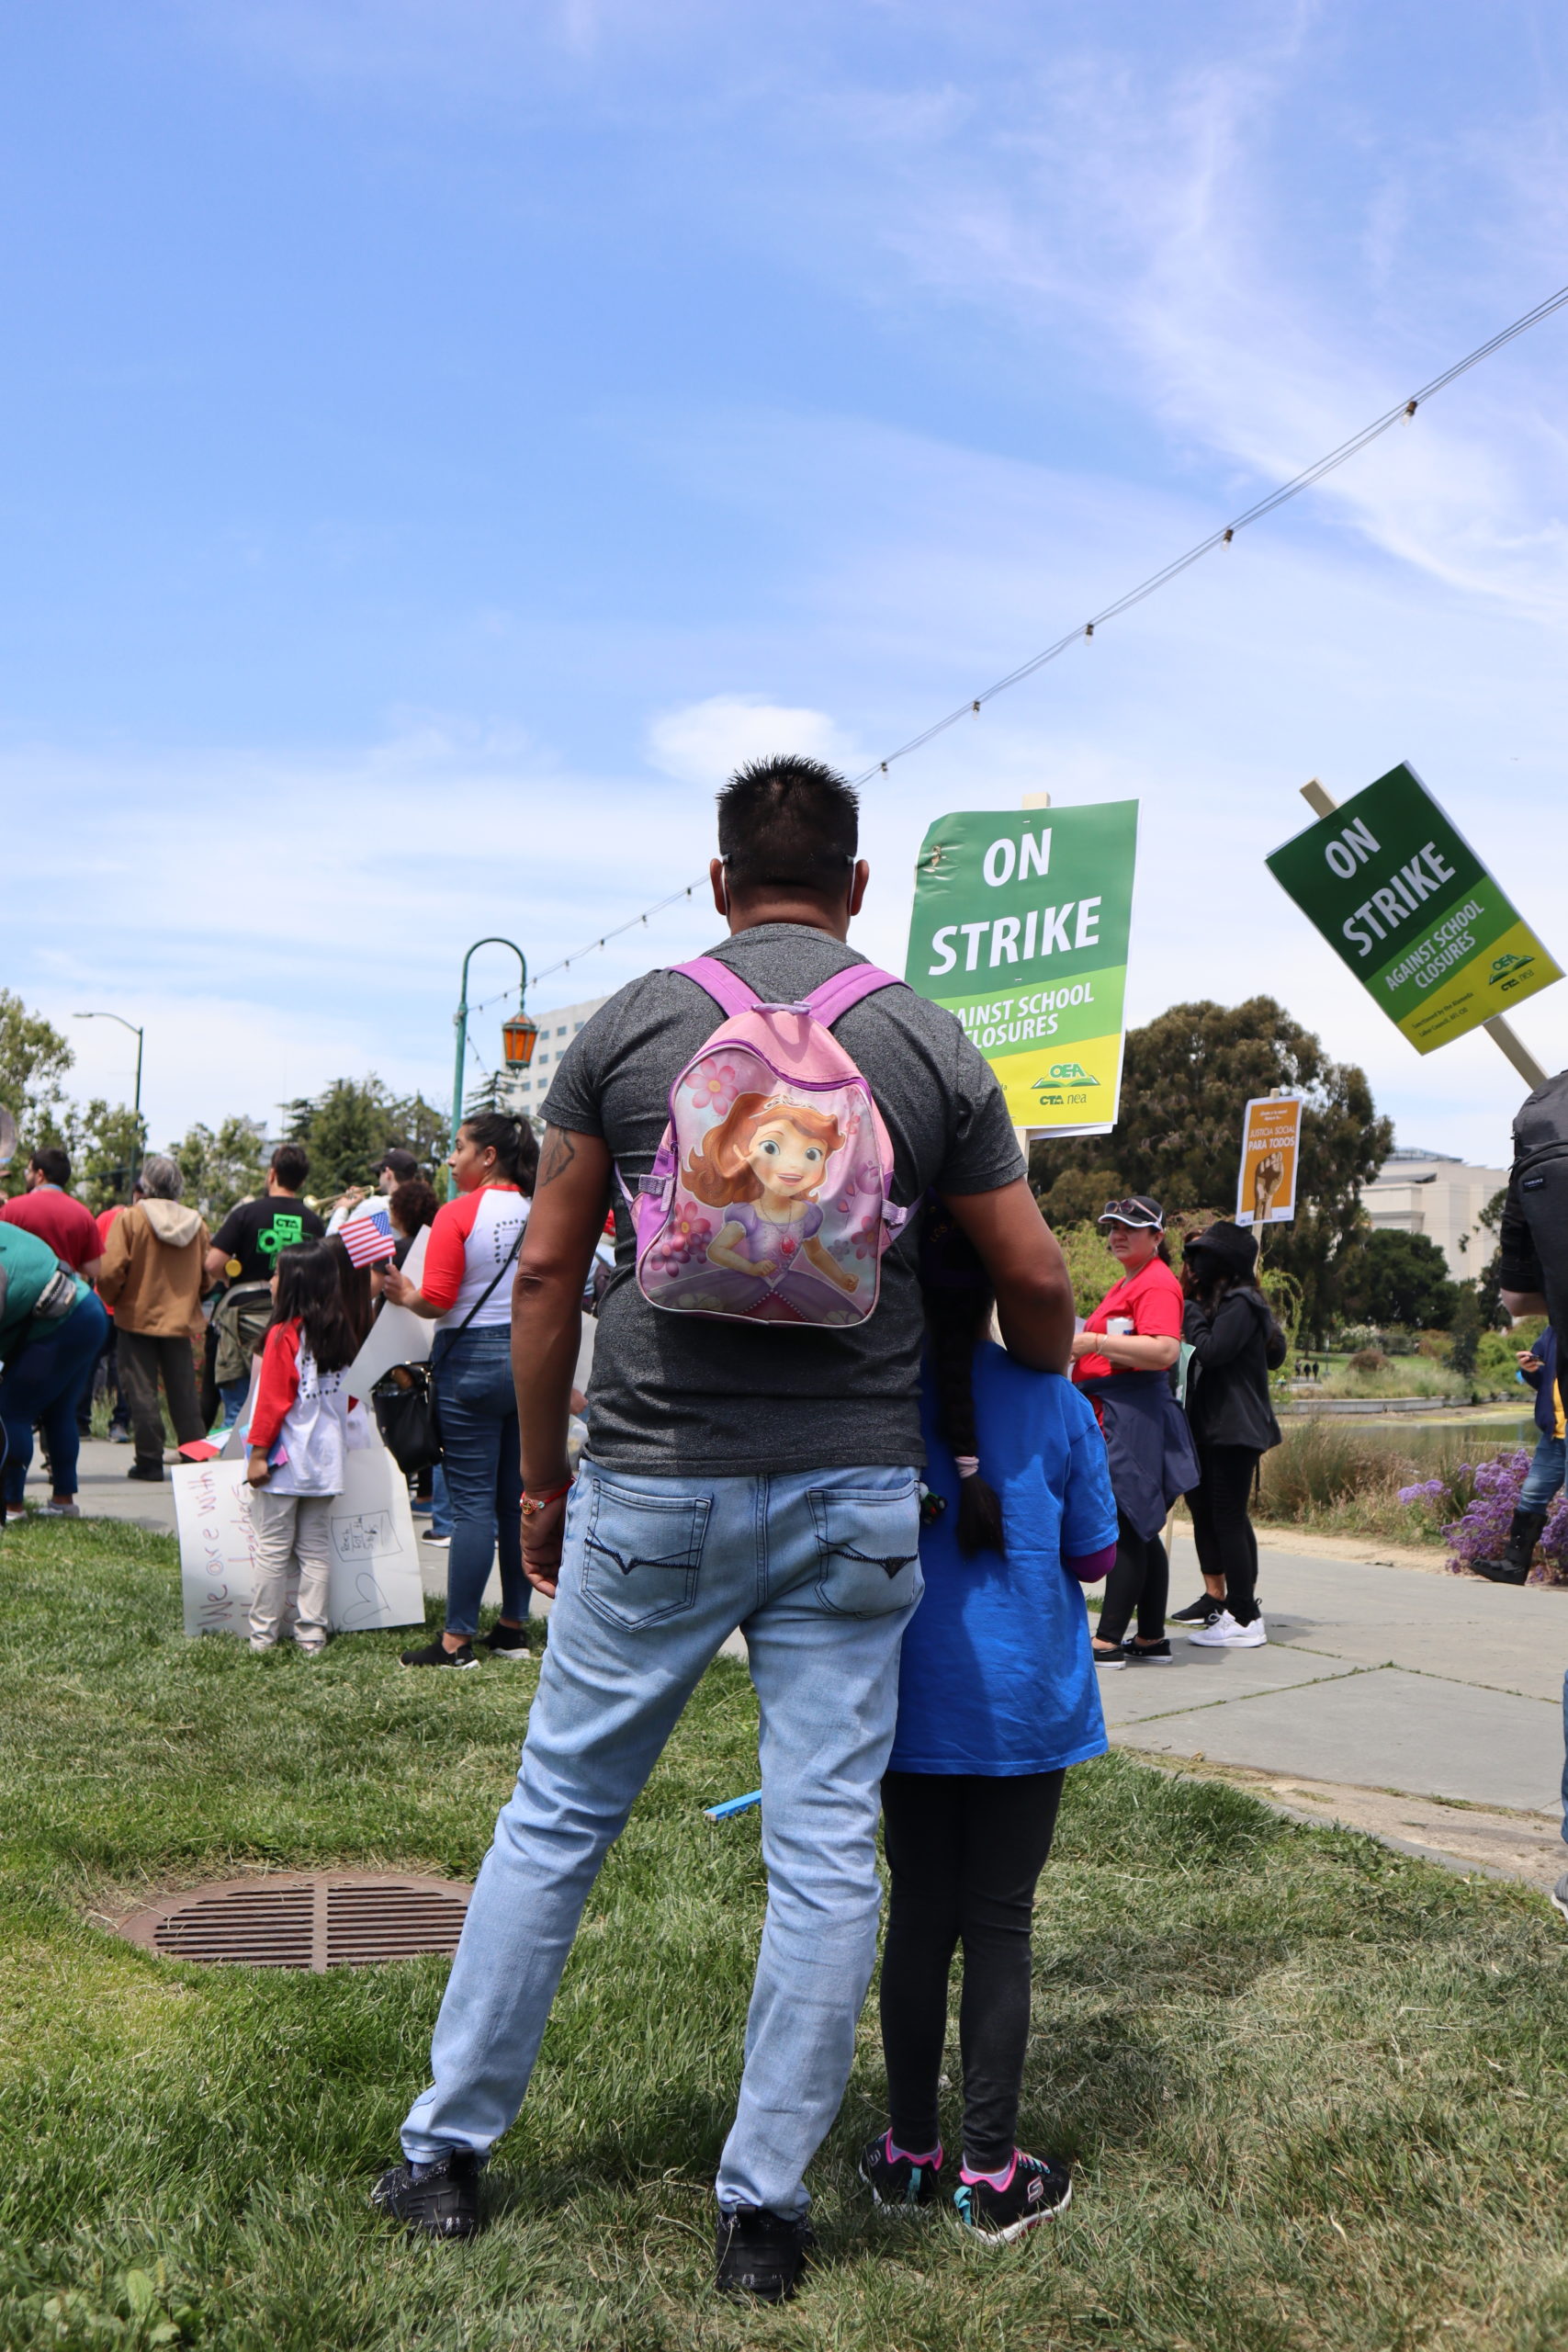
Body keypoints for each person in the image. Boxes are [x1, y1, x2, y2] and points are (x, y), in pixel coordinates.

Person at [369, 754, 1075, 2303]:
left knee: (558, 1816)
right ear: (857, 886)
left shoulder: (630, 1026)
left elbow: (545, 1276)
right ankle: (762, 2218)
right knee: (822, 1850)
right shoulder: (925, 1039)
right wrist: (1033, 1371)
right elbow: (1031, 1276)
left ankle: (445, 2157)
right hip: (851, 1492)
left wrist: (540, 1480)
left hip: (655, 1477)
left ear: (716, 882)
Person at [858, 1206, 1115, 2240]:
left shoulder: (872, 1402)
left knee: (919, 1910)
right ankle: (993, 2172)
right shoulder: (1058, 1401)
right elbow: (1096, 1557)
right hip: (1025, 1703)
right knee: (1000, 1922)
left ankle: (910, 2151)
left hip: (904, 1700)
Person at [380, 1114, 536, 1667]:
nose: (451, 1158)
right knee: (515, 1504)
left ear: (487, 1156)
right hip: (529, 1365)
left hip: (469, 1365)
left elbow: (438, 1300)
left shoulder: (459, 1213)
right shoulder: (540, 1209)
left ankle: (456, 1641)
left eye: (459, 1146)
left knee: (471, 1507)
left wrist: (404, 1293)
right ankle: (514, 1628)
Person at [1070, 1198, 1195, 1667]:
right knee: (1140, 1527)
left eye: (1131, 1228)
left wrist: (1093, 1342)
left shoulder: (1156, 1282)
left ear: (1157, 1237)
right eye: (1113, 1227)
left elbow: (1164, 1350)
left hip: (1132, 1413)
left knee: (1124, 1522)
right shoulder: (1133, 1280)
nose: (1118, 1234)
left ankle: (1108, 1641)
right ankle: (1150, 1637)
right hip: (1121, 1409)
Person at [244, 1239, 359, 1655]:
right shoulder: (342, 1333)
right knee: (315, 1550)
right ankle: (312, 1636)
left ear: (294, 1281)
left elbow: (271, 1402)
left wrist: (258, 1455)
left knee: (273, 1549)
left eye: (277, 1273)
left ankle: (262, 1637)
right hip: (327, 1461)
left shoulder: (282, 1335)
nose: (271, 1280)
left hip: (285, 1462)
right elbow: (351, 1399)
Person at [1174, 1223, 1285, 1649]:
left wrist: (1189, 1311)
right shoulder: (1232, 1302)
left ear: (1223, 1263)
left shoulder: (1241, 1302)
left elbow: (1213, 1351)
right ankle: (1235, 1609)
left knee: (1229, 1519)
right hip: (1217, 1427)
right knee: (1222, 1517)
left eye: (1201, 1256)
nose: (1193, 1264)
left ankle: (1244, 1617)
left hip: (1234, 1430)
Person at [96, 1158, 213, 1482]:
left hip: (137, 1316)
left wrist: (115, 1299)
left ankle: (149, 1461)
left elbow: (110, 1271)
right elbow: (207, 1276)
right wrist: (191, 1299)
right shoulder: (197, 1222)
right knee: (184, 1394)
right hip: (180, 1320)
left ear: (145, 1183)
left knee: (141, 1392)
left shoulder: (131, 1218)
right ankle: (196, 1458)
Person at [205, 1147, 327, 1427]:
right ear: (302, 1181)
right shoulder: (313, 1221)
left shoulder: (246, 1213)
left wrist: (228, 1277)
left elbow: (212, 1263)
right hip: (293, 1320)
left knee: (238, 1412)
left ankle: (237, 1453)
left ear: (272, 1174)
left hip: (242, 1318)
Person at [0, 1220, 109, 1521]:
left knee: (10, 1411)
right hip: (87, 1310)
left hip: (58, 1327)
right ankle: (63, 1501)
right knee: (59, 1412)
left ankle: (11, 1506)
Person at [1474, 1326, 1565, 1583]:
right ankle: (1514, 1565)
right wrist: (1531, 1369)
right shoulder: (1552, 1331)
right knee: (1532, 1494)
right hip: (1554, 1431)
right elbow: (1545, 1381)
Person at [0, 1147, 105, 1277]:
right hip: (65, 1288)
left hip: (20, 1288)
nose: (27, 1176)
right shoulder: (84, 1215)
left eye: (29, 1171)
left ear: (40, 1175)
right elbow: (94, 1269)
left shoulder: (11, 1209)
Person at [326, 1147, 421, 1235]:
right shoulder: (418, 1208)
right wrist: (362, 1204)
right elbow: (383, 1233)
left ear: (388, 1173)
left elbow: (332, 1242)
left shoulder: (375, 1206)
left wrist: (341, 1209)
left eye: (379, 1173)